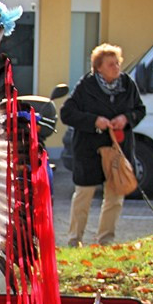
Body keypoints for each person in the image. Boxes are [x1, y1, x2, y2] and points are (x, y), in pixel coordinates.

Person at [61, 43, 146, 247]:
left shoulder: (127, 84)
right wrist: (93, 121)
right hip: (89, 150)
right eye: (111, 64)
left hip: (118, 150)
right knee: (83, 195)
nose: (116, 68)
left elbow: (139, 110)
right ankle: (75, 240)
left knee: (115, 197)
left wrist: (126, 118)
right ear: (98, 67)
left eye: (118, 63)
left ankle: (105, 240)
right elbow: (67, 113)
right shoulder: (86, 86)